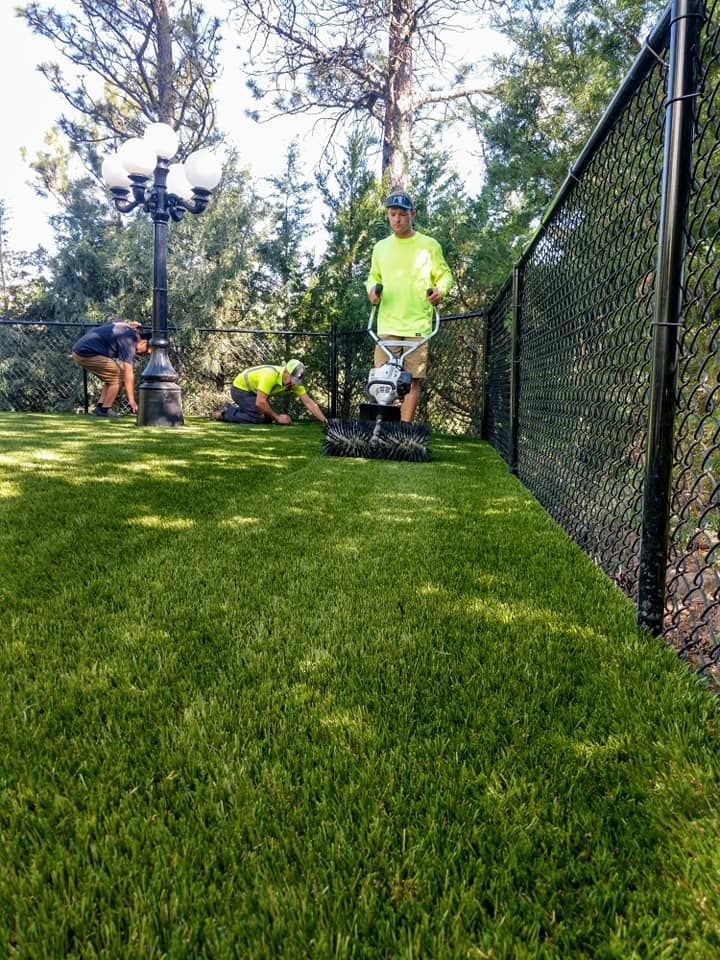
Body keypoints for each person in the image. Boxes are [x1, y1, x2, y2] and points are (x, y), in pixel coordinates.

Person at [366, 190, 454, 422]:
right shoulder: (380, 248)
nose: (397, 219)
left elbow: (445, 275)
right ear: (388, 216)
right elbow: (373, 277)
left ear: (412, 214)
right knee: (382, 378)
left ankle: (403, 430)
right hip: (387, 324)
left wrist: (439, 290)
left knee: (410, 380)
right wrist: (372, 290)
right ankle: (381, 428)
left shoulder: (428, 245)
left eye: (402, 214)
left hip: (417, 325)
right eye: (392, 214)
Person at [71, 316, 151, 417]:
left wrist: (128, 324)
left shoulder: (127, 330)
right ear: (143, 342)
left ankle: (100, 407)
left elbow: (112, 319)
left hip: (80, 351)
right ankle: (104, 410)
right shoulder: (130, 341)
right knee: (119, 375)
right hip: (86, 353)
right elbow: (128, 373)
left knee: (113, 376)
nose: (148, 352)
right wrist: (131, 400)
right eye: (148, 349)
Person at [213, 359, 328, 426]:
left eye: (296, 381)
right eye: (292, 380)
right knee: (260, 418)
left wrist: (325, 421)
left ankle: (235, 410)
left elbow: (308, 402)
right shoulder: (270, 375)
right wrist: (278, 418)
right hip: (240, 389)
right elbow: (260, 402)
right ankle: (226, 412)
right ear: (286, 372)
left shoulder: (293, 382)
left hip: (253, 392)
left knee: (267, 418)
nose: (293, 384)